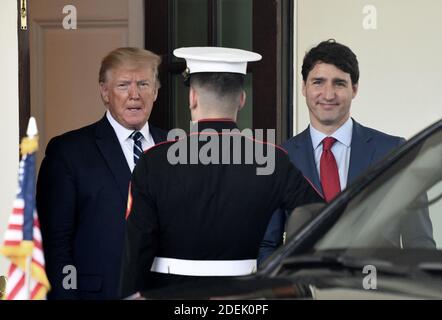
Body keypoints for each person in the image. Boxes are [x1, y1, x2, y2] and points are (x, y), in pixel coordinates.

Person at [119, 47, 324, 298]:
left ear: (192, 97)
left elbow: (138, 245)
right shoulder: (272, 160)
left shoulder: (154, 161)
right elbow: (322, 218)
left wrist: (129, 294)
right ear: (241, 99)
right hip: (243, 297)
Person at [258, 39, 435, 265]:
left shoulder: (393, 150)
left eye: (339, 83)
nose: (328, 94)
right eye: (318, 82)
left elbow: (419, 243)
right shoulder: (280, 157)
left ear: (354, 89)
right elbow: (267, 245)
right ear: (304, 87)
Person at [36, 47, 167, 299]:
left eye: (143, 83)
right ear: (104, 92)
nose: (134, 95)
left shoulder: (174, 149)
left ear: (156, 91)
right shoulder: (68, 152)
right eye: (123, 85)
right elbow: (56, 244)